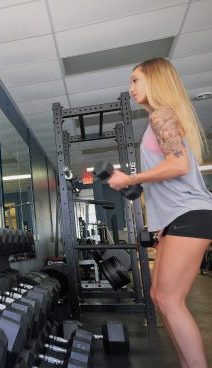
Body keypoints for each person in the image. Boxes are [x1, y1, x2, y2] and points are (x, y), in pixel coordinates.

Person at [108, 58, 212, 368]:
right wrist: (160, 229)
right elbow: (170, 172)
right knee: (159, 297)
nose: (131, 88)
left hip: (191, 215)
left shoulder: (162, 115)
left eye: (136, 80)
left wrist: (131, 178)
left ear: (154, 79)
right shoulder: (161, 118)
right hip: (179, 219)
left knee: (169, 300)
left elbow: (178, 164)